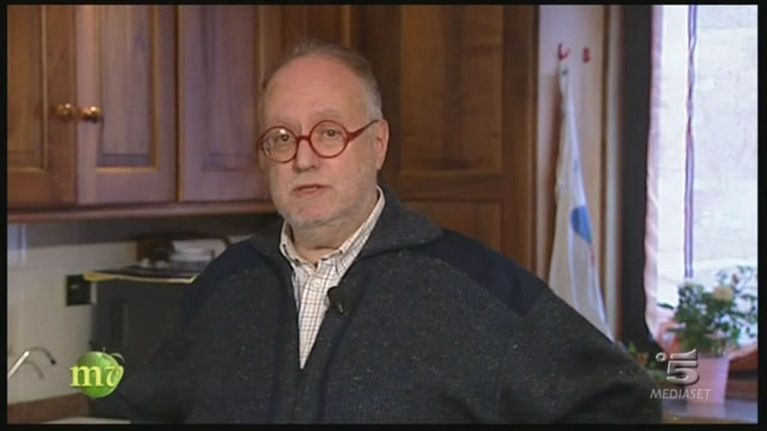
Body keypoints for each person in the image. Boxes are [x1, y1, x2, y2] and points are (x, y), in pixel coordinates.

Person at [116, 39, 662, 423]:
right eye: (281, 137)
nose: (303, 158)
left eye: (329, 133)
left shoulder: (476, 291)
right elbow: (148, 408)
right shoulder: (223, 288)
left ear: (377, 144)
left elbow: (620, 404)